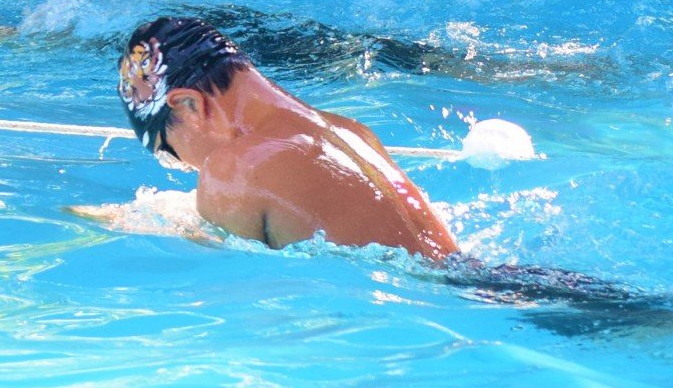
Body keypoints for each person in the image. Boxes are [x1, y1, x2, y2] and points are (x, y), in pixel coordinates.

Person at [113, 16, 458, 259]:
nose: (186, 167)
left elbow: (223, 278)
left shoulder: (234, 168)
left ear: (188, 104)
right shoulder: (350, 131)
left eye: (168, 152)